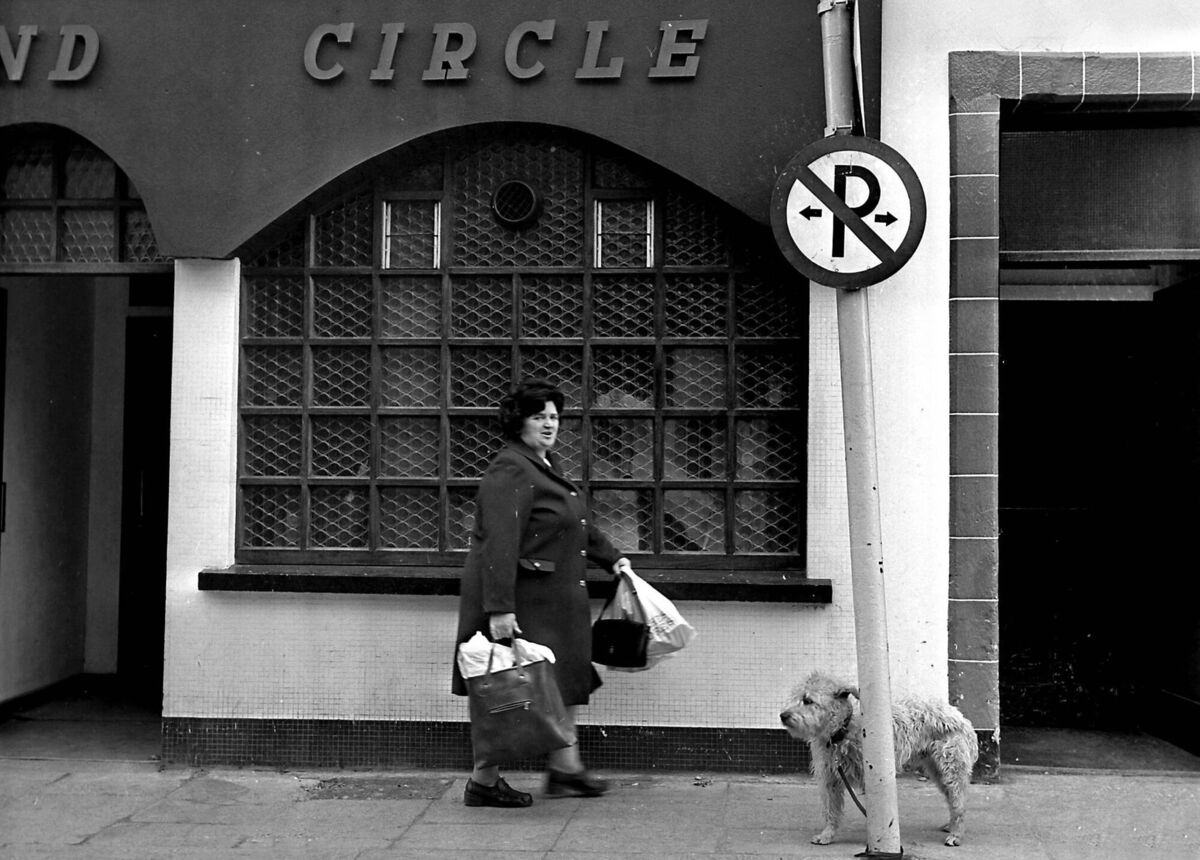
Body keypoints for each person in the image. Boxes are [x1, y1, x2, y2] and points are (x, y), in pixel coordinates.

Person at [452, 378, 635, 808]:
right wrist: (499, 609)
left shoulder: (542, 464)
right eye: (540, 417)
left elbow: (574, 525)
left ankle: (566, 769)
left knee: (562, 680)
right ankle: (483, 780)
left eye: (554, 416)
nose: (550, 424)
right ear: (520, 422)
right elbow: (497, 541)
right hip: (526, 600)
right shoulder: (510, 468)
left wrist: (613, 558)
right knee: (504, 686)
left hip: (553, 600)